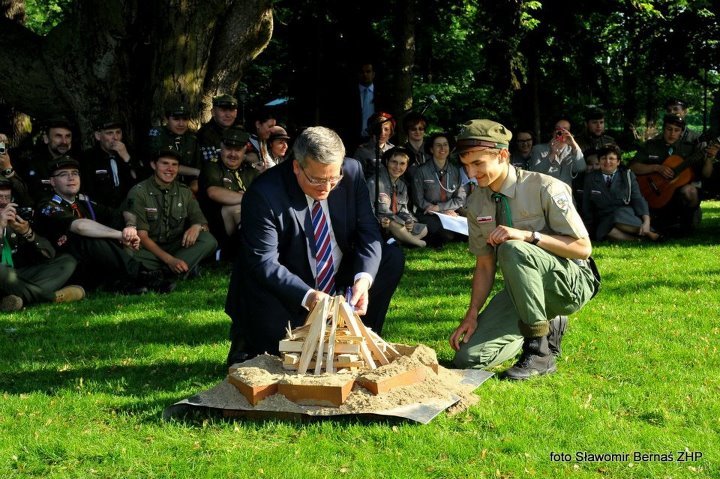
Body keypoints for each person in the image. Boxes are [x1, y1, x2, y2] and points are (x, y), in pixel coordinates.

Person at [224, 126, 404, 365]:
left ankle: (358, 337)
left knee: (391, 258)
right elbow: (264, 262)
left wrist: (363, 280)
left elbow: (368, 232)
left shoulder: (351, 172)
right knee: (281, 358)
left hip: (337, 277)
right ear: (297, 167)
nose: (327, 188)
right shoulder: (264, 193)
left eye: (333, 179)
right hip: (287, 288)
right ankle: (249, 339)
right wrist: (308, 296)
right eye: (317, 179)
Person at [449, 119, 598, 380]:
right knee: (467, 359)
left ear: (503, 155)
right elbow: (484, 265)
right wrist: (471, 315)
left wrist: (529, 236)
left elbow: (583, 248)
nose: (471, 173)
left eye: (478, 164)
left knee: (512, 248)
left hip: (571, 283)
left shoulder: (545, 187)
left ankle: (539, 352)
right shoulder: (475, 203)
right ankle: (544, 323)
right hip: (523, 290)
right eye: (466, 166)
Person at [35, 156, 171, 295]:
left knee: (105, 232)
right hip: (64, 266)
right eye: (64, 174)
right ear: (52, 181)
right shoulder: (47, 205)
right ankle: (142, 274)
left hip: (91, 264)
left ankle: (123, 283)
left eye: (75, 173)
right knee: (89, 238)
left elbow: (120, 212)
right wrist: (119, 235)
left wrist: (130, 228)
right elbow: (80, 226)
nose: (71, 178)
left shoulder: (83, 201)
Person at [125, 150, 218, 279]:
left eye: (174, 165)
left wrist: (196, 226)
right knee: (128, 252)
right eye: (165, 163)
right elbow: (142, 236)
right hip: (149, 248)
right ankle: (179, 268)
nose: (170, 169)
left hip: (176, 246)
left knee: (208, 240)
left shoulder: (184, 191)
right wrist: (170, 260)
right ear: (154, 165)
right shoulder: (139, 192)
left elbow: (202, 223)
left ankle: (161, 273)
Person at [1, 177, 84, 311]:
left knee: (67, 261)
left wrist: (28, 233)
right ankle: (53, 297)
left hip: (18, 276)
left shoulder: (15, 219)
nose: (4, 202)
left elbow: (49, 254)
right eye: (0, 197)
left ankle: (14, 298)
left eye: (7, 197)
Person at [630, 114, 718, 234]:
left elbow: (706, 174)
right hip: (653, 192)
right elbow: (633, 167)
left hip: (677, 194)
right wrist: (656, 168)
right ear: (663, 129)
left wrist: (709, 158)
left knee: (690, 191)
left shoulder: (691, 148)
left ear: (681, 132)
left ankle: (686, 225)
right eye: (669, 129)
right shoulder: (651, 145)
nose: (672, 134)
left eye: (676, 130)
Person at [198, 127, 259, 260]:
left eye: (237, 150)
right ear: (221, 147)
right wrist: (248, 198)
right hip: (215, 223)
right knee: (237, 208)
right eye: (228, 149)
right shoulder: (212, 166)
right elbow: (214, 193)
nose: (233, 154)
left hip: (242, 222)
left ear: (244, 150)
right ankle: (229, 251)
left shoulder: (250, 170)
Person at [582, 144, 661, 242]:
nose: (607, 162)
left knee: (617, 216)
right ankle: (642, 238)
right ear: (599, 160)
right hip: (603, 218)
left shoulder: (627, 176)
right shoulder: (591, 178)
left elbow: (638, 199)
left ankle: (645, 232)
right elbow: (586, 205)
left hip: (625, 215)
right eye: (603, 158)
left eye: (612, 158)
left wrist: (646, 221)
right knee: (608, 230)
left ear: (618, 162)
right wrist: (587, 227)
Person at [411, 132, 467, 247]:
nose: (442, 148)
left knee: (468, 231)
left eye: (445, 145)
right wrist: (438, 210)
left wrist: (442, 208)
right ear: (431, 149)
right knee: (446, 234)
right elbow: (418, 200)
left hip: (451, 212)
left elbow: (460, 199)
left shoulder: (455, 171)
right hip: (428, 213)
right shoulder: (421, 171)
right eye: (438, 145)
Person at [366, 147, 427, 248]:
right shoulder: (374, 183)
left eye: (402, 163)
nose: (397, 167)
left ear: (407, 166)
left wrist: (409, 221)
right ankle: (418, 243)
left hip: (399, 222)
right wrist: (380, 221)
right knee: (393, 224)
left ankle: (399, 241)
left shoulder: (402, 185)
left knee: (424, 229)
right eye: (394, 162)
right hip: (382, 224)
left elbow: (403, 210)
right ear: (387, 162)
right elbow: (368, 209)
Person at [81, 118, 145, 209]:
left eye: (118, 132)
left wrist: (126, 157)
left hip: (129, 209)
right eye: (109, 133)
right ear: (98, 136)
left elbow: (141, 183)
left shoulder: (131, 153)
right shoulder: (88, 158)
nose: (115, 138)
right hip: (100, 212)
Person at [13, 118, 74, 204]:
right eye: (58, 136)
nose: (64, 141)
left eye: (68, 136)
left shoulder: (79, 162)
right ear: (46, 139)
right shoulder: (32, 164)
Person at [146, 102, 202, 194]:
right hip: (159, 186)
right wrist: (195, 172)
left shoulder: (192, 138)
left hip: (186, 188)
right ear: (167, 119)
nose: (181, 124)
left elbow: (197, 165)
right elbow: (162, 165)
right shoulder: (158, 134)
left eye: (185, 119)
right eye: (176, 119)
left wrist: (194, 184)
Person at [528, 119, 587, 188]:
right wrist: (552, 154)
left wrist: (574, 145)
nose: (561, 132)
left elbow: (581, 168)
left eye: (565, 130)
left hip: (564, 195)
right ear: (553, 132)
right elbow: (535, 173)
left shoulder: (573, 151)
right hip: (545, 194)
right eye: (558, 129)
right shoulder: (538, 149)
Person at [197, 94, 239, 162]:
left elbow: (254, 157)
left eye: (231, 110)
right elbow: (211, 163)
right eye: (223, 110)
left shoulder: (239, 131)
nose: (228, 115)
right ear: (213, 112)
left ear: (236, 113)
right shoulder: (204, 134)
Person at [354, 111, 395, 179]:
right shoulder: (362, 151)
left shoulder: (394, 150)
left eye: (386, 129)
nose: (382, 133)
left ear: (391, 132)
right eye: (378, 128)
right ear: (372, 130)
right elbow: (357, 178)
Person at [0, 132, 31, 206]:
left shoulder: (17, 165)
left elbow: (26, 200)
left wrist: (8, 169)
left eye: (4, 144)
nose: (1, 147)